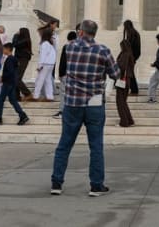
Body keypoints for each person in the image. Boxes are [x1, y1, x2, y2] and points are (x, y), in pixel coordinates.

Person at [50, 19, 119, 197]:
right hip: (94, 100)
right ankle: (96, 186)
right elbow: (115, 73)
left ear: (81, 32)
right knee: (96, 146)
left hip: (73, 101)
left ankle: (56, 183)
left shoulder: (70, 47)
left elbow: (64, 67)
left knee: (64, 144)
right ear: (95, 33)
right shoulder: (102, 50)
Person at [0, 43, 29, 125]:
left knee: (1, 100)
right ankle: (23, 116)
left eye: (4, 49)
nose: (3, 51)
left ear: (8, 49)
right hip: (12, 82)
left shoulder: (10, 59)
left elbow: (10, 72)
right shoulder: (13, 59)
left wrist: (3, 78)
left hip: (8, 83)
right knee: (13, 100)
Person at [52, 30, 74, 119]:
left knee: (63, 93)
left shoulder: (67, 46)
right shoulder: (80, 47)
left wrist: (60, 74)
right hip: (75, 75)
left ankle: (62, 111)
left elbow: (63, 61)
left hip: (66, 74)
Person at [114, 39, 135, 127]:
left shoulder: (125, 54)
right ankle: (129, 120)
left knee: (120, 101)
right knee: (123, 101)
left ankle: (124, 122)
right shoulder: (130, 54)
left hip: (122, 79)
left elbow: (122, 66)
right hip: (127, 79)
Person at [32, 28, 57, 102]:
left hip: (45, 64)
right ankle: (50, 96)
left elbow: (43, 55)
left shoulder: (45, 44)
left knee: (40, 79)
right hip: (51, 64)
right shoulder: (50, 44)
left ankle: (36, 96)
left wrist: (40, 66)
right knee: (48, 80)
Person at [12, 27, 33, 100]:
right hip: (19, 58)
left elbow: (14, 44)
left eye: (19, 31)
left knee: (17, 78)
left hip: (22, 59)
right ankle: (16, 96)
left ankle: (27, 93)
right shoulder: (24, 40)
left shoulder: (25, 40)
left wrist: (15, 35)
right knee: (16, 78)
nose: (18, 32)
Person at [122, 20, 141, 95]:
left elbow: (129, 46)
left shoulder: (131, 33)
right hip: (135, 55)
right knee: (130, 72)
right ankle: (133, 89)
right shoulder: (135, 32)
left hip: (131, 55)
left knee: (130, 73)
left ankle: (134, 89)